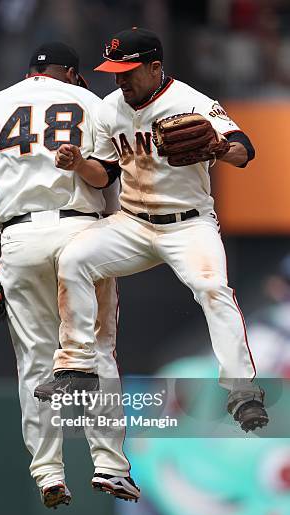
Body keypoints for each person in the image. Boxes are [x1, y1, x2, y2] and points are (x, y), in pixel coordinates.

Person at [34, 28, 268, 433]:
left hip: (188, 224)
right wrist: (77, 164)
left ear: (155, 67)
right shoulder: (109, 109)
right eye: (115, 71)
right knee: (73, 258)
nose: (119, 79)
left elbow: (245, 150)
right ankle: (76, 365)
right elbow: (104, 173)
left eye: (128, 71)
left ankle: (242, 390)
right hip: (133, 222)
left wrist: (218, 147)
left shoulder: (191, 102)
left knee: (213, 289)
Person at [0, 42, 140, 509]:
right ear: (73, 74)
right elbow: (109, 179)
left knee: (35, 361)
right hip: (82, 232)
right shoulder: (93, 104)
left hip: (19, 239)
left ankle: (48, 473)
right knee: (96, 351)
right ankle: (110, 465)